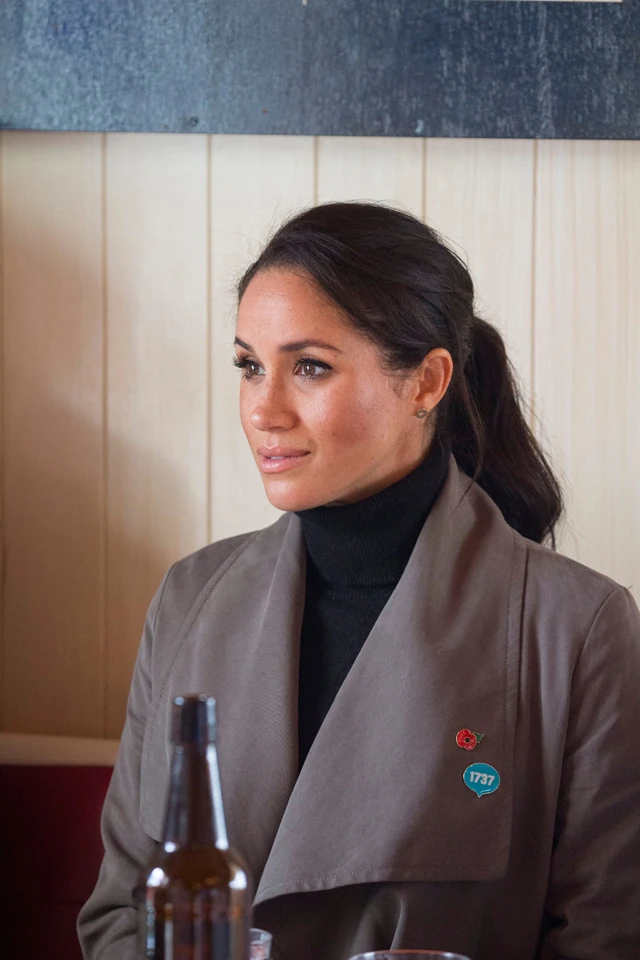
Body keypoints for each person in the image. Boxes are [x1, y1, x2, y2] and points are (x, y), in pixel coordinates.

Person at [78, 201, 640, 960]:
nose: (263, 410)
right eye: (249, 366)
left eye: (309, 367)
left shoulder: (579, 627)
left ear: (426, 382)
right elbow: (120, 914)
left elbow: (605, 938)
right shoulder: (189, 598)